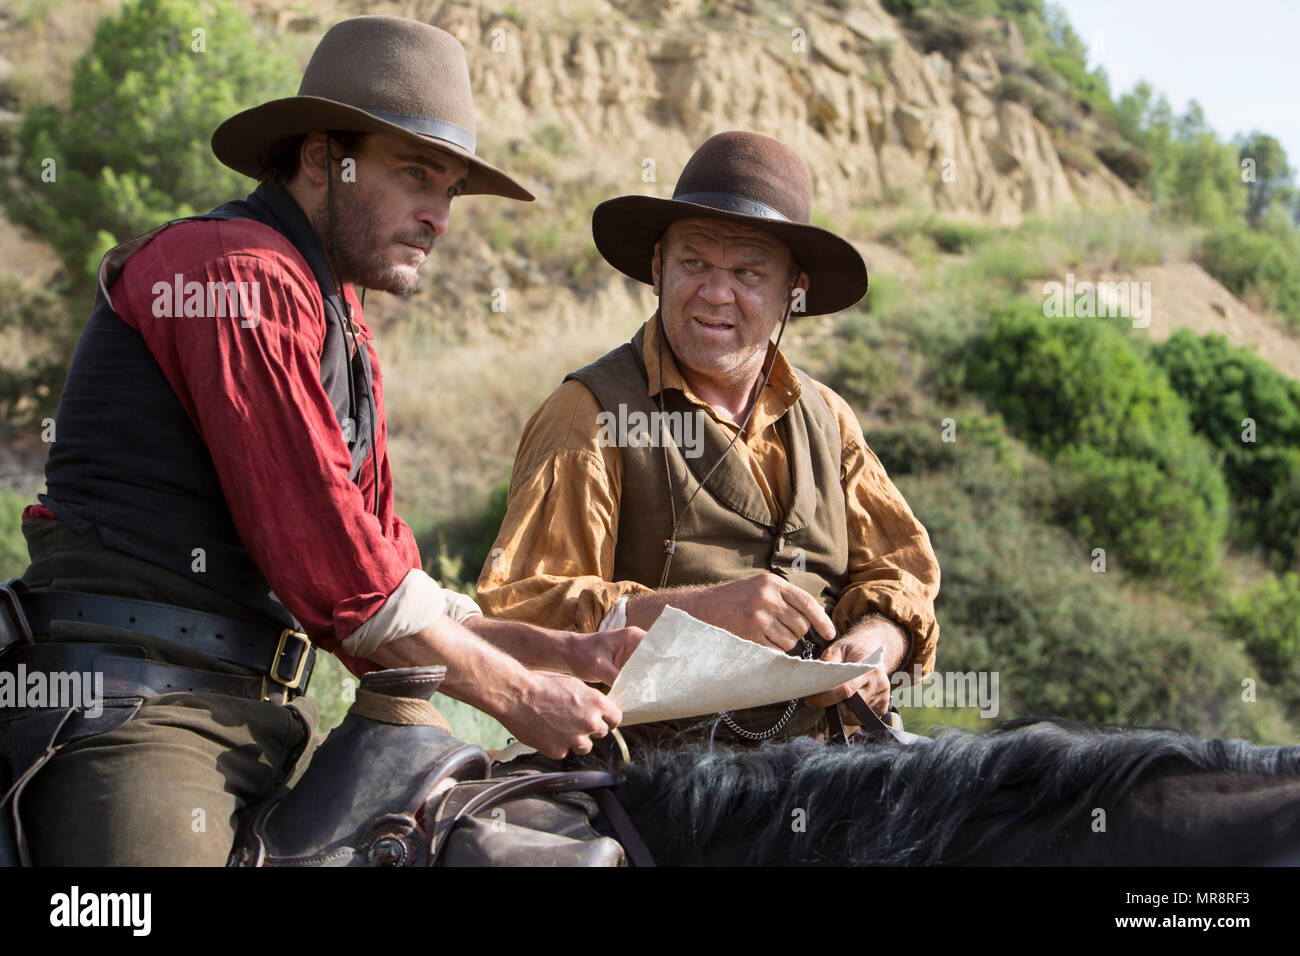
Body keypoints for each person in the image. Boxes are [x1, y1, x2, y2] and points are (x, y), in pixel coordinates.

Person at [0, 15, 640, 866]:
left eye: (450, 190)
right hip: (136, 709)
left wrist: (562, 650)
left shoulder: (338, 316)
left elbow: (389, 575)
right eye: (417, 175)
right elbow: (343, 580)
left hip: (263, 716)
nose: (439, 216)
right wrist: (521, 693)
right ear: (317, 159)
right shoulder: (230, 276)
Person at [477, 130, 941, 748]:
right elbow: (520, 612)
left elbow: (902, 571)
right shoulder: (587, 413)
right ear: (658, 268)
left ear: (791, 292)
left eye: (748, 272)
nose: (716, 293)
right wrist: (696, 613)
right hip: (649, 777)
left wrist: (879, 643)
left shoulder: (828, 418)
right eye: (695, 262)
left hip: (828, 768)